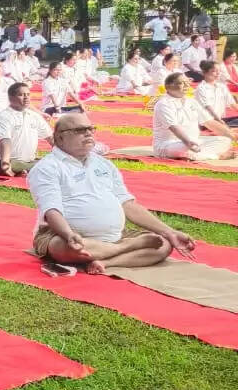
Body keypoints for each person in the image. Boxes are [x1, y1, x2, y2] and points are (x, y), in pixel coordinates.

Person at [27, 113, 197, 274]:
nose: (87, 134)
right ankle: (126, 248)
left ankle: (106, 262)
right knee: (68, 248)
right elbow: (51, 211)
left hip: (114, 237)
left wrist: (169, 232)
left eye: (90, 129)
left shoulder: (103, 164)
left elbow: (128, 204)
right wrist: (69, 234)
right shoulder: (47, 167)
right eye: (79, 130)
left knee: (164, 244)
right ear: (60, 138)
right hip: (64, 235)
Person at [152, 73, 236, 160]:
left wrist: (230, 134)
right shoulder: (163, 104)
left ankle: (196, 155)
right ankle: (216, 156)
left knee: (225, 140)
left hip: (194, 141)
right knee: (187, 149)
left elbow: (209, 122)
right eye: (181, 83)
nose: (186, 85)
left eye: (187, 82)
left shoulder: (191, 102)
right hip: (169, 144)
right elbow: (174, 127)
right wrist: (187, 142)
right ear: (168, 86)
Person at [0, 83, 54, 176]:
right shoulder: (4, 116)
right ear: (11, 98)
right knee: (2, 166)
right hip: (11, 161)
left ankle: (28, 170)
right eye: (21, 95)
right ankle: (29, 169)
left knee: (54, 162)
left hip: (29, 161)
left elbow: (51, 138)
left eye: (28, 95)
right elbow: (5, 141)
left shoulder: (34, 116)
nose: (26, 98)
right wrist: (5, 163)